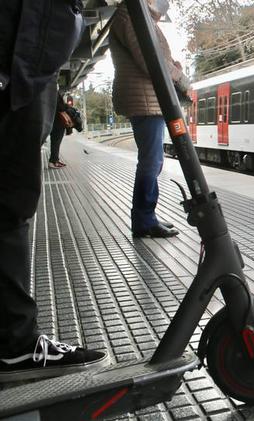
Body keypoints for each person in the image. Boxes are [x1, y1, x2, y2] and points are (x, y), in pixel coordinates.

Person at [0, 0, 108, 382]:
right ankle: (14, 345)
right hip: (17, 58)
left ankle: (14, 340)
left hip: (25, 60)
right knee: (9, 205)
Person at [110, 0, 189, 238]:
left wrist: (173, 67)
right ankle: (144, 220)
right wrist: (179, 77)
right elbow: (149, 60)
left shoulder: (138, 14)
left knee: (153, 161)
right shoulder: (131, 13)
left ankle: (147, 215)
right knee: (151, 162)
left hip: (149, 98)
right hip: (144, 98)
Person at [48, 93, 72, 169]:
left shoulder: (53, 91)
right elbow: (59, 107)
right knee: (55, 142)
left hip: (56, 122)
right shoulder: (53, 92)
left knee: (56, 143)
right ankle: (52, 162)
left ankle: (55, 160)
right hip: (57, 123)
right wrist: (67, 106)